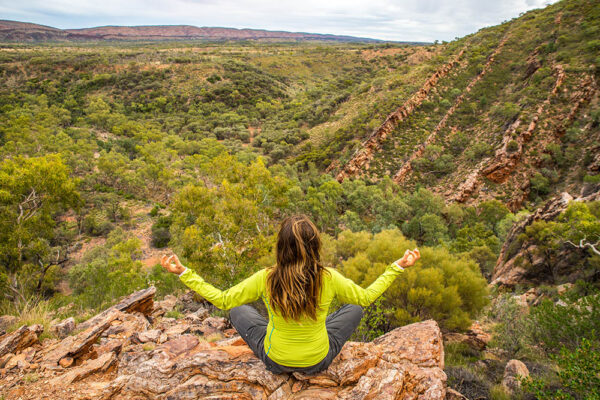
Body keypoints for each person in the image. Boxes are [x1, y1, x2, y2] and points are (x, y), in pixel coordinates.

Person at [161, 214, 420, 375]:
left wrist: (184, 272)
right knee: (355, 308)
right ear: (315, 246)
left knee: (238, 309)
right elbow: (365, 297)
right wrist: (397, 267)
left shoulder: (266, 277)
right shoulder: (328, 277)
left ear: (281, 248)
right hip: (317, 362)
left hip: (276, 361)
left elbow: (223, 300)